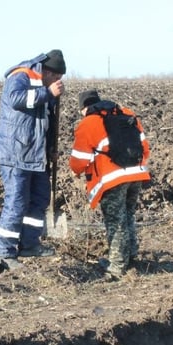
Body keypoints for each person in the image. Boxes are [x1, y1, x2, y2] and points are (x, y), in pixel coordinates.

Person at [0, 49, 67, 269]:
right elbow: (15, 99)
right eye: (56, 77)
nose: (58, 82)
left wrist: (51, 148)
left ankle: (29, 244)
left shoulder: (47, 87)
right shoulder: (20, 76)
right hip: (15, 153)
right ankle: (4, 252)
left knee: (40, 199)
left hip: (36, 156)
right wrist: (48, 93)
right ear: (48, 72)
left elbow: (47, 122)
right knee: (16, 201)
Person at [69, 89, 151, 280]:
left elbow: (79, 161)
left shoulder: (88, 123)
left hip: (112, 179)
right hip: (136, 173)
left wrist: (77, 171)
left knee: (116, 222)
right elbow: (144, 147)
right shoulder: (127, 114)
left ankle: (116, 267)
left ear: (83, 108)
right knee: (128, 215)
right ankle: (131, 257)